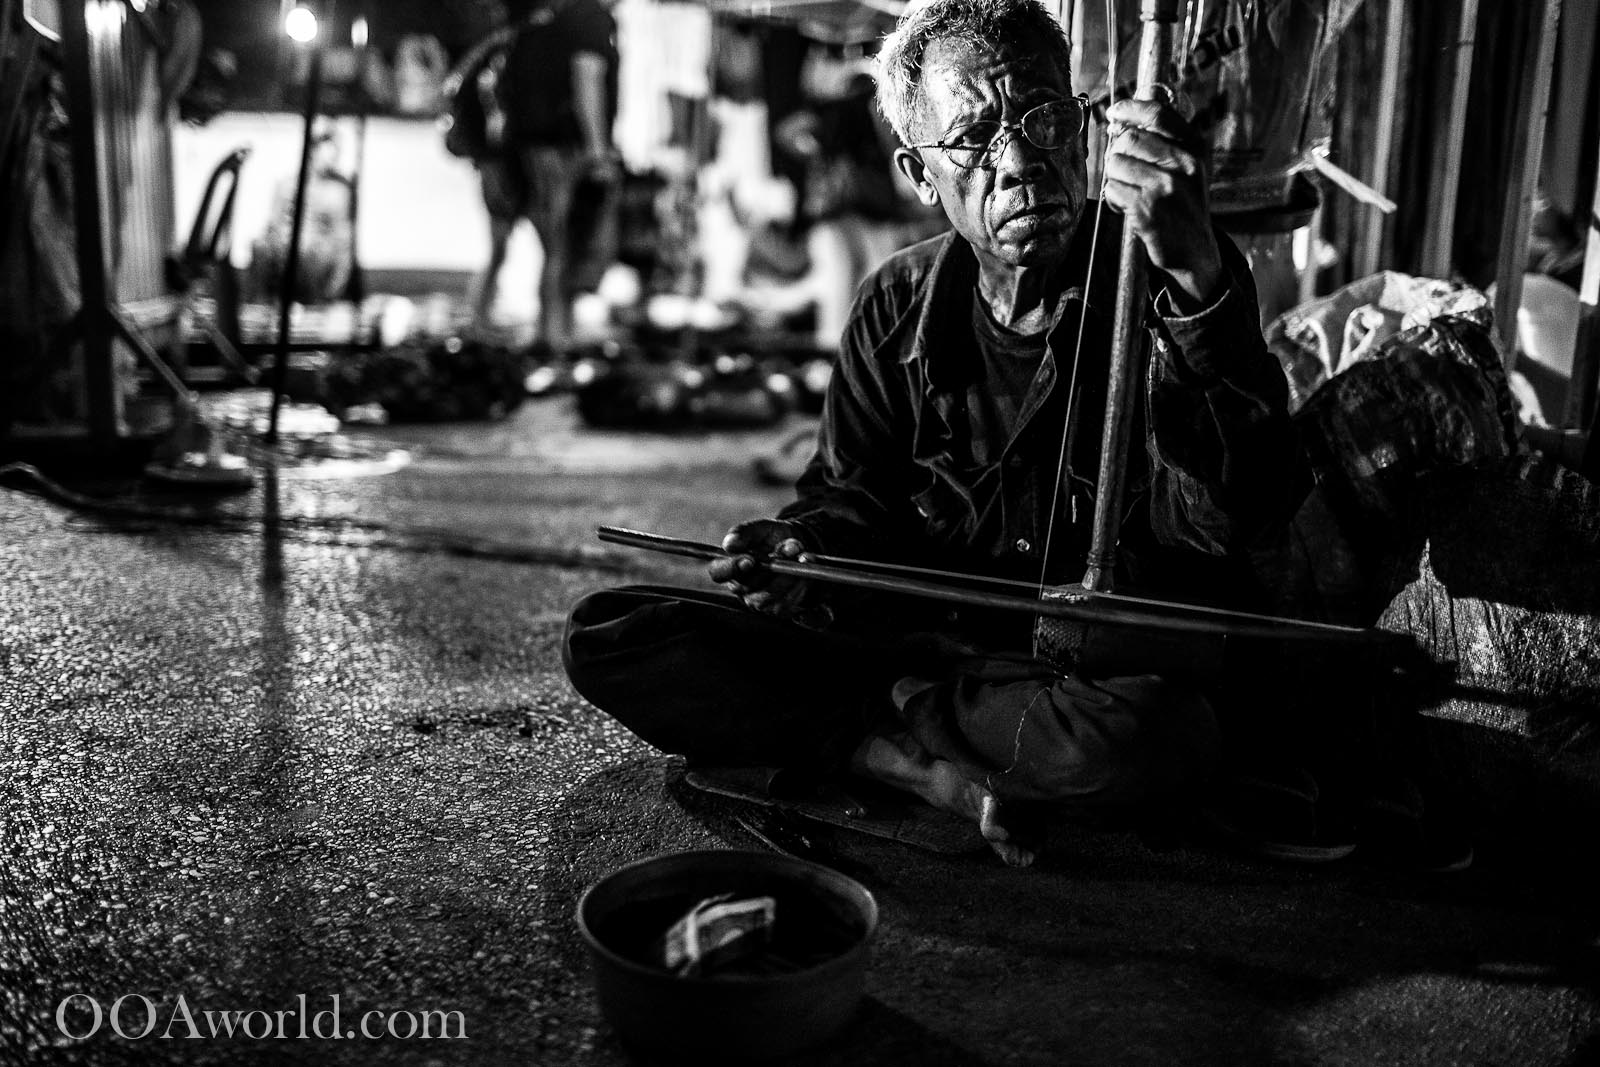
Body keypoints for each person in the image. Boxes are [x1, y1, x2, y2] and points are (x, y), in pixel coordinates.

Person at [564, 0, 1309, 866]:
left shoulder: (1170, 270)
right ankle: (918, 765)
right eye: (976, 139)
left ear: (1084, 128)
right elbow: (850, 495)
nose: (1023, 162)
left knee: (1153, 737)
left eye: (1045, 118)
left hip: (1072, 677)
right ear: (921, 175)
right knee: (613, 631)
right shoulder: (894, 301)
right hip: (916, 637)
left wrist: (1196, 276)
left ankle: (892, 723)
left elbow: (1241, 517)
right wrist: (800, 547)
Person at [496, 0, 622, 351]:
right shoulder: (589, 17)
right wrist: (597, 149)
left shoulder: (547, 16)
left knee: (555, 244)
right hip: (565, 147)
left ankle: (552, 329)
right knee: (566, 244)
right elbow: (587, 77)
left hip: (532, 143)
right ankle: (556, 335)